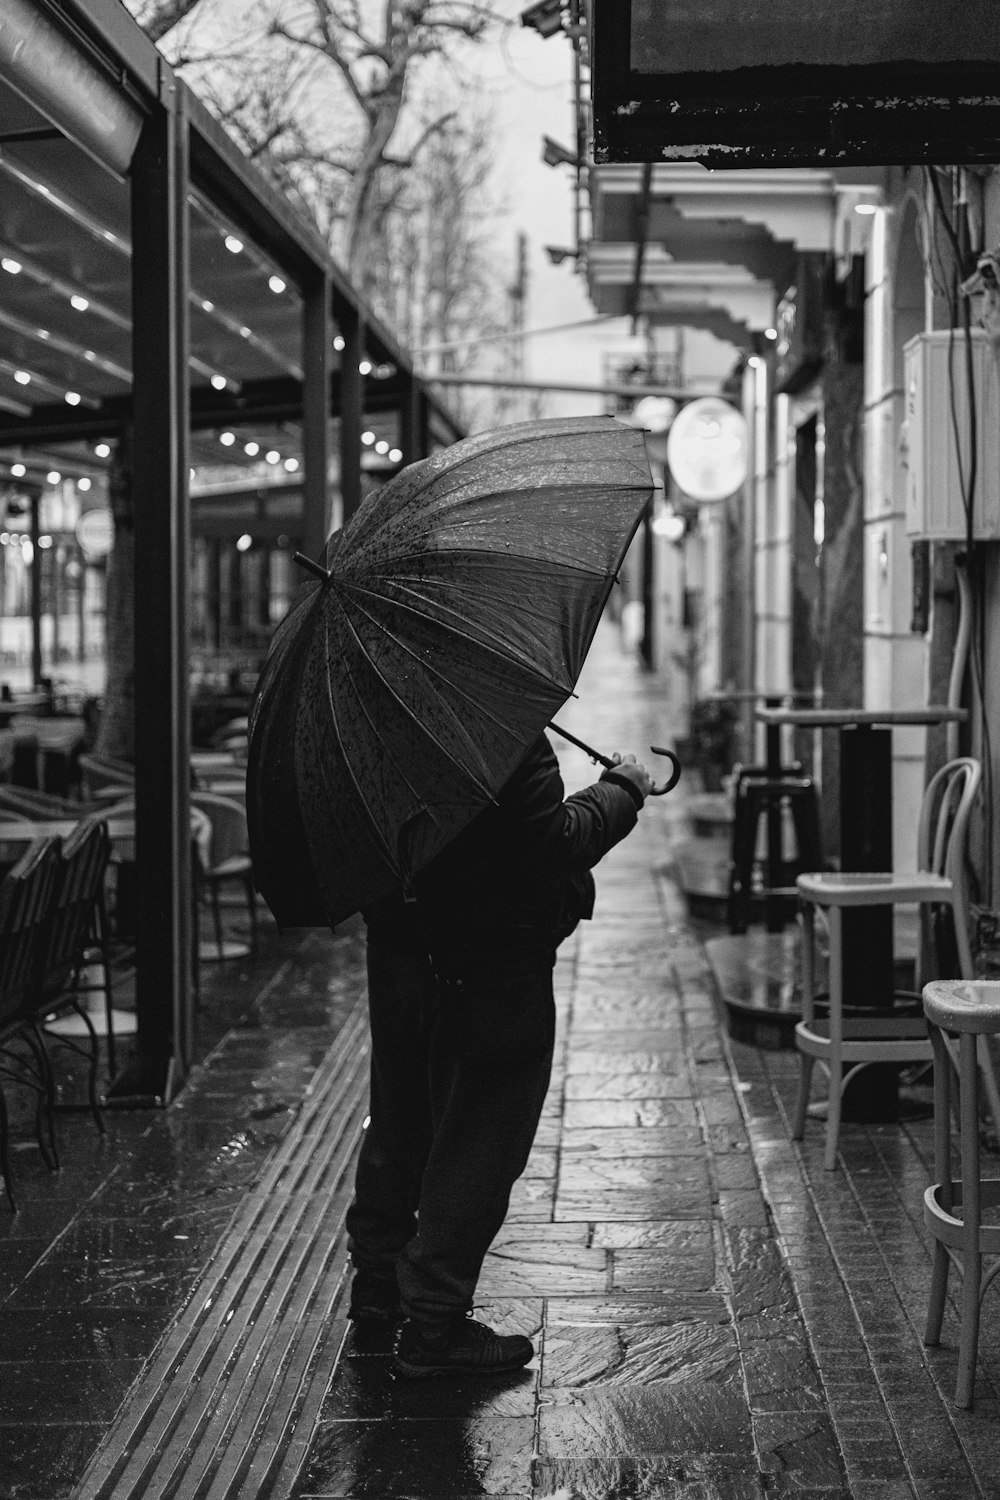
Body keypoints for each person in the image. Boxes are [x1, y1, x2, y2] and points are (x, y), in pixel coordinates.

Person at [344, 729, 654, 1380]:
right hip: (491, 962)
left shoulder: (364, 728)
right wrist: (620, 791)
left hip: (399, 948)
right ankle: (433, 1325)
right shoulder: (492, 727)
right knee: (482, 1139)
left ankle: (376, 1289)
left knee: (400, 1117)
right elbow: (549, 844)